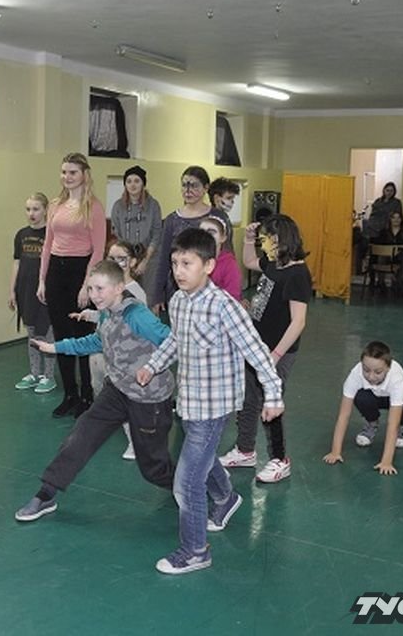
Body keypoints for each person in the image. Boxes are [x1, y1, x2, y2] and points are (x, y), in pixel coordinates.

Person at [137, 228, 283, 574]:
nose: (178, 270)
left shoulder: (224, 307)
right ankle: (226, 498)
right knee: (201, 458)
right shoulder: (178, 301)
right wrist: (153, 365)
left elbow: (257, 351)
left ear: (208, 266)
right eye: (175, 263)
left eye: (187, 263)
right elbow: (176, 340)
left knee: (187, 482)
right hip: (189, 400)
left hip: (214, 406)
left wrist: (274, 394)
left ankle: (195, 551)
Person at [15, 260, 174, 522]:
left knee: (154, 469)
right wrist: (55, 347)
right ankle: (46, 494)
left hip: (149, 397)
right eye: (90, 289)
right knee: (81, 435)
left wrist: (152, 367)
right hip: (117, 390)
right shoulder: (107, 313)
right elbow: (96, 341)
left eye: (100, 289)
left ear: (119, 287)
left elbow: (172, 341)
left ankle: (194, 486)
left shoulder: (136, 315)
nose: (94, 295)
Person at [219, 214, 310, 484]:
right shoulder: (273, 263)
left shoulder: (297, 274)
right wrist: (248, 239)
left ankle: (280, 459)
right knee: (248, 399)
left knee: (272, 401)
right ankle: (245, 450)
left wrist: (276, 355)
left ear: (281, 239)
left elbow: (298, 322)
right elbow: (249, 261)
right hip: (256, 347)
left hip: (277, 352)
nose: (263, 244)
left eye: (266, 239)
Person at [37, 153, 107, 418]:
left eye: (72, 172)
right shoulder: (55, 205)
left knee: (82, 336)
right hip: (56, 270)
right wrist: (42, 280)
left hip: (81, 271)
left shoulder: (93, 207)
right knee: (62, 336)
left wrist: (87, 285)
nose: (67, 177)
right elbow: (47, 245)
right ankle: (70, 394)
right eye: (64, 172)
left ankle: (87, 396)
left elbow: (98, 249)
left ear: (84, 175)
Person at [74, 240, 147, 459]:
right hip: (103, 350)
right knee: (102, 391)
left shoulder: (135, 293)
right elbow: (108, 314)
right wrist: (91, 315)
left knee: (123, 398)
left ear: (132, 262)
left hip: (124, 357)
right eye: (111, 258)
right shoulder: (106, 289)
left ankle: (136, 442)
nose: (115, 262)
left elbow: (132, 323)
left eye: (121, 259)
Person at [322, 341, 403, 475]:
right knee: (361, 396)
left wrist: (386, 462)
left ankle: (401, 429)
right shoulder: (355, 374)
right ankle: (372, 423)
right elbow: (344, 415)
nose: (371, 376)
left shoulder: (396, 378)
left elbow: (392, 423)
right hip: (372, 396)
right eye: (366, 370)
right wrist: (335, 452)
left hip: (394, 398)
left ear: (388, 368)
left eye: (378, 372)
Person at [151, 166, 229, 313]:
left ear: (206, 188)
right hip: (178, 287)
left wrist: (233, 289)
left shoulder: (218, 217)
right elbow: (163, 258)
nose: (188, 190)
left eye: (194, 185)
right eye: (184, 185)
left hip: (212, 285)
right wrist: (157, 294)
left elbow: (228, 254)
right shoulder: (171, 220)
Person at [9, 193, 56, 395]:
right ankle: (35, 373)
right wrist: (12, 290)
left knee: (46, 333)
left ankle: (49, 376)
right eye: (28, 209)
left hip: (44, 292)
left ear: (45, 210)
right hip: (25, 290)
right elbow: (17, 263)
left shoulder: (52, 234)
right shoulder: (21, 235)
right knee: (31, 333)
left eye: (36, 209)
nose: (31, 213)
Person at [109, 165, 162, 290]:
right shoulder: (118, 206)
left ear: (143, 184)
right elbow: (117, 234)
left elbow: (157, 234)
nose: (132, 185)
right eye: (129, 181)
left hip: (149, 258)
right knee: (127, 292)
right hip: (126, 257)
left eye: (137, 181)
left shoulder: (153, 205)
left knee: (148, 294)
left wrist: (145, 261)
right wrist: (128, 259)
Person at [198, 216, 241, 300]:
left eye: (211, 232)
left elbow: (233, 296)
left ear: (223, 238)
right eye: (201, 232)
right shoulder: (194, 259)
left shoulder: (229, 264)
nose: (205, 236)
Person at [376, 210, 403, 293]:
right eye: (394, 218)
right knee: (381, 257)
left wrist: (397, 252)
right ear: (390, 219)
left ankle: (402, 284)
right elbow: (380, 244)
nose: (396, 220)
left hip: (399, 256)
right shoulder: (383, 232)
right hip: (386, 256)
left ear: (401, 219)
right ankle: (381, 283)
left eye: (398, 218)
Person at [207, 177, 240, 253]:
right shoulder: (211, 219)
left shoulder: (224, 216)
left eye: (233, 198)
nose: (232, 202)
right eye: (228, 198)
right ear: (216, 198)